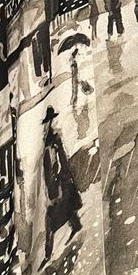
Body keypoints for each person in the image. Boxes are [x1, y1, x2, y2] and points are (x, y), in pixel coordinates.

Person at [40, 105, 83, 265]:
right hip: (60, 184)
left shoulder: (52, 144)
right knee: (66, 207)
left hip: (60, 185)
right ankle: (75, 227)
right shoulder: (51, 142)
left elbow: (57, 166)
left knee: (52, 219)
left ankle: (48, 254)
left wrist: (58, 186)